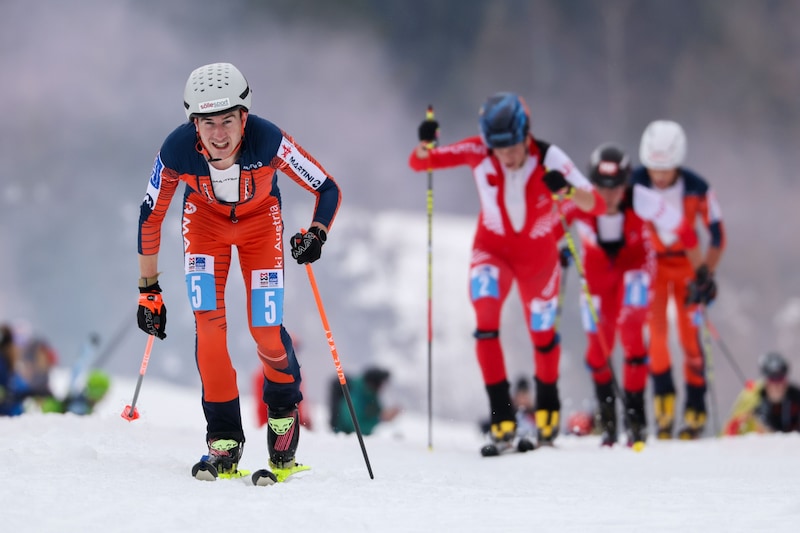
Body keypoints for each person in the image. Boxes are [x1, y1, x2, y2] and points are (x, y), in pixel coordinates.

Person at [136, 62, 341, 478]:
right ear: (194, 124)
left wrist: (316, 234)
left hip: (261, 225)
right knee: (209, 330)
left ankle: (283, 427)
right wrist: (149, 291)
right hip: (205, 225)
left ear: (244, 118)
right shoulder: (176, 149)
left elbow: (327, 187)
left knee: (265, 328)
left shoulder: (268, 140)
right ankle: (224, 441)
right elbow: (149, 218)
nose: (218, 134)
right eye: (207, 122)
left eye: (227, 120)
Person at [408, 92, 606, 448]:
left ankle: (548, 409)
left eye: (512, 148)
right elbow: (420, 163)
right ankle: (502, 416)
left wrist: (569, 190)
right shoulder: (477, 152)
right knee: (485, 320)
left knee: (542, 336)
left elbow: (598, 203)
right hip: (492, 251)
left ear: (526, 135)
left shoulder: (550, 157)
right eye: (498, 150)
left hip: (539, 261)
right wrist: (426, 142)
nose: (506, 157)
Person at [631, 120, 725, 440]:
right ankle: (663, 407)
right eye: (653, 168)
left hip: (687, 268)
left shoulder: (698, 187)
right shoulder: (634, 183)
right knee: (656, 337)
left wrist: (707, 274)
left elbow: (717, 235)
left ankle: (695, 410)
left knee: (690, 338)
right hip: (651, 268)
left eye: (666, 169)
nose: (659, 176)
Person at [724, 352, 800, 435]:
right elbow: (730, 431)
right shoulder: (754, 400)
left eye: (780, 379)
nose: (776, 385)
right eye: (772, 379)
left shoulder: (796, 398)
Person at [330, 367, 400, 436]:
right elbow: (355, 427)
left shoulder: (370, 394)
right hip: (346, 438)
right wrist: (380, 419)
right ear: (373, 384)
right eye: (381, 385)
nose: (382, 388)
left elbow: (377, 411)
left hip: (362, 438)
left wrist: (384, 415)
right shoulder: (355, 398)